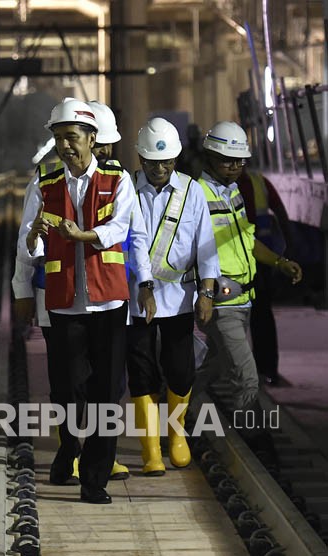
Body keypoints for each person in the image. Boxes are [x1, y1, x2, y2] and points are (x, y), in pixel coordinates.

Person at [17, 98, 155, 504]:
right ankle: (68, 446)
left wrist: (84, 236)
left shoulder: (118, 181)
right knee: (67, 388)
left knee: (107, 393)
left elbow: (123, 228)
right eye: (58, 137)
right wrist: (23, 283)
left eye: (71, 137)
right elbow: (27, 242)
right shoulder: (44, 184)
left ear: (92, 139)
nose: (65, 145)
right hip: (63, 303)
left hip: (109, 302)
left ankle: (94, 479)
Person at [194, 121, 302, 458]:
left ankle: (178, 407)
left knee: (212, 366)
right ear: (210, 157)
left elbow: (247, 239)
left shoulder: (234, 191)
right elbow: (192, 248)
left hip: (245, 297)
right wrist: (206, 295)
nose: (234, 166)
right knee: (247, 377)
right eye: (227, 160)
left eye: (239, 161)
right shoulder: (197, 194)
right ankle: (256, 445)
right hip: (221, 301)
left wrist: (279, 262)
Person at [126, 118, 220, 476]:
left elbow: (206, 246)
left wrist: (207, 292)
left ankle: (176, 434)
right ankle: (150, 448)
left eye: (167, 163)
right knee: (141, 371)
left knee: (180, 371)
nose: (160, 169)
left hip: (180, 295)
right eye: (153, 162)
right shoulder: (127, 189)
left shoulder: (191, 191)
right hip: (135, 299)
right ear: (140, 159)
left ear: (177, 159)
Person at [236, 169, 293, 385]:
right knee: (239, 319)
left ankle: (266, 370)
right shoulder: (214, 186)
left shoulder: (259, 182)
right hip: (234, 261)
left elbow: (280, 214)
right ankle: (259, 371)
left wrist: (288, 250)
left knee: (260, 316)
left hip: (260, 261)